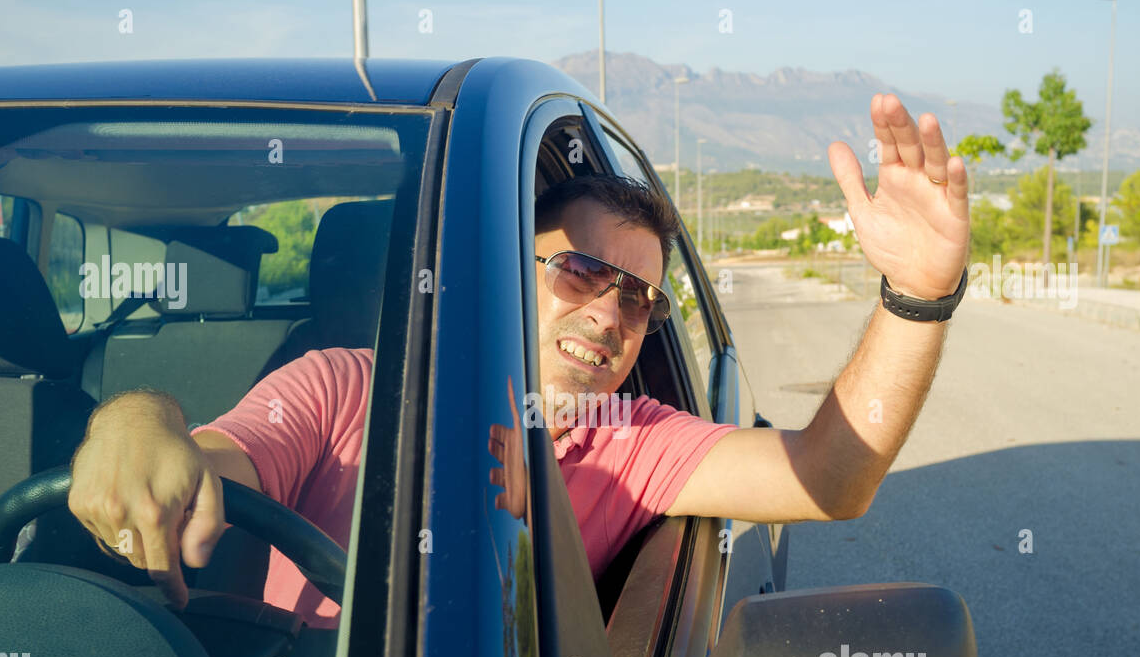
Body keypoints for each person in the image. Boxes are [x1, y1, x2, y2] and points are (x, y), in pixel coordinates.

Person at [69, 92, 970, 629]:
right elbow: (202, 465)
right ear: (505, 271)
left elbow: (830, 478)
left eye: (640, 298)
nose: (610, 312)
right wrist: (137, 422)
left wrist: (918, 296)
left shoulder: (628, 439)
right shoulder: (347, 389)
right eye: (581, 270)